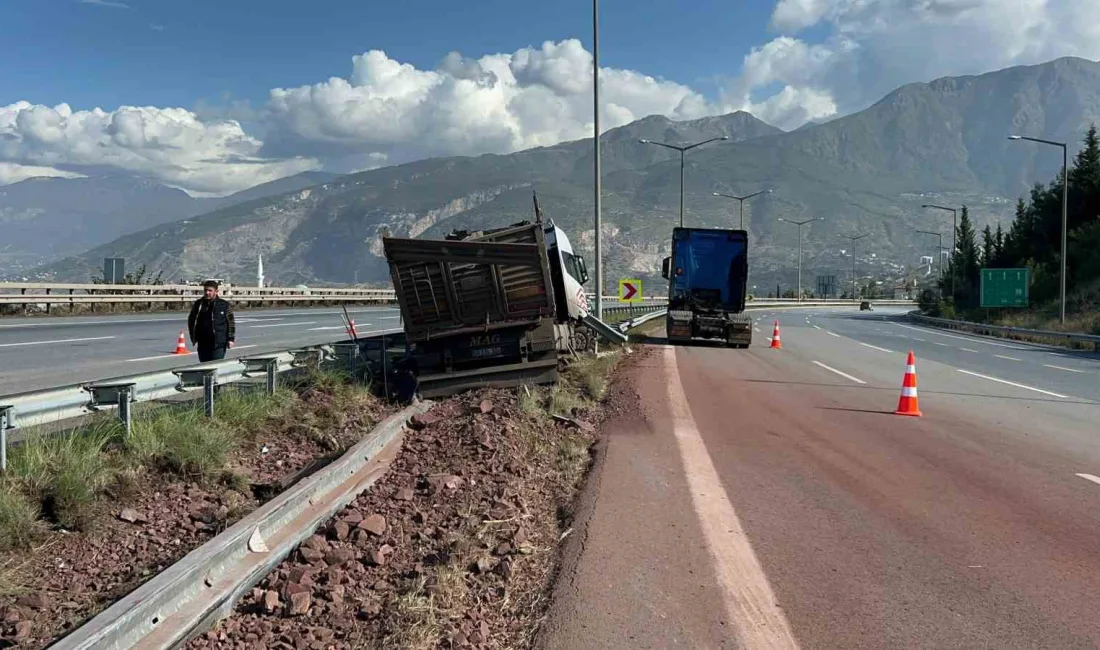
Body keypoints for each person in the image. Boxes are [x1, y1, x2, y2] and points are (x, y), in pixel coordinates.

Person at [187, 280, 236, 362]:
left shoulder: (224, 305)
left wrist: (231, 339)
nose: (207, 292)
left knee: (215, 366)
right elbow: (191, 320)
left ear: (216, 291)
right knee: (204, 366)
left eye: (210, 290)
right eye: (205, 290)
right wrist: (193, 336)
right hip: (203, 342)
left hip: (218, 343)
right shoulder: (198, 304)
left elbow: (231, 323)